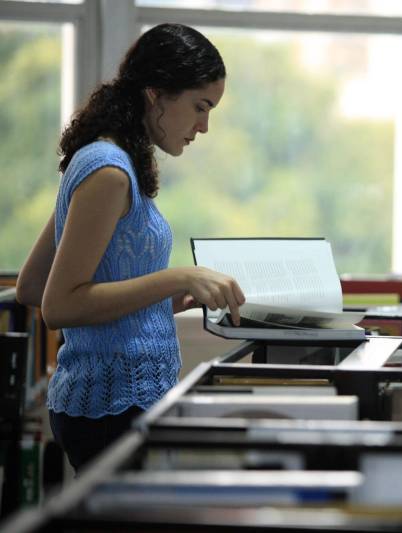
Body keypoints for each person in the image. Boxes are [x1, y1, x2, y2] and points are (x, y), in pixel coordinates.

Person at [15, 23, 245, 473]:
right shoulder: (109, 171)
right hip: (111, 408)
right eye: (200, 107)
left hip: (115, 403)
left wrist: (162, 299)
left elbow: (32, 285)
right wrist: (176, 277)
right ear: (156, 94)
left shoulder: (105, 161)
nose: (204, 126)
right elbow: (58, 305)